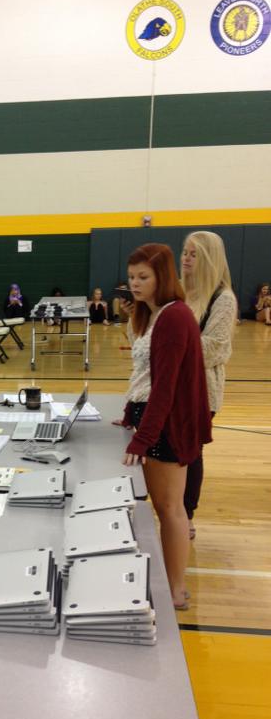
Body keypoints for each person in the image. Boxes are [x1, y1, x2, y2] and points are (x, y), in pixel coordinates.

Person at [118, 244, 211, 610]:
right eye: (131, 277)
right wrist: (129, 413)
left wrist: (142, 439)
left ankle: (175, 589)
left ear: (163, 277)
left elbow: (165, 388)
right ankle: (173, 583)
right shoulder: (153, 315)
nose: (135, 284)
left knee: (171, 509)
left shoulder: (174, 316)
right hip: (152, 420)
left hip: (167, 427)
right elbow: (143, 375)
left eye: (144, 277)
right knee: (166, 507)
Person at [181, 232, 237, 537]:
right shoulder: (179, 292)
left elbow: (215, 347)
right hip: (171, 389)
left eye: (194, 254)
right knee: (170, 453)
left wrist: (173, 342)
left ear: (210, 259)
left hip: (201, 392)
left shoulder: (223, 298)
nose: (186, 259)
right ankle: (172, 508)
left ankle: (186, 514)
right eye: (185, 252)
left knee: (190, 453)